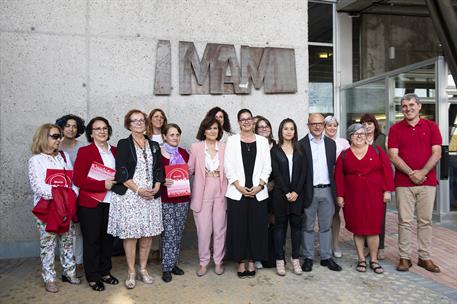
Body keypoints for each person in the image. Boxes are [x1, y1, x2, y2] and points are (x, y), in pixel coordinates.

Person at [108, 109, 164, 289]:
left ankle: (143, 269)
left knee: (147, 235)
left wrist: (156, 187)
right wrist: (138, 189)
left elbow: (159, 169)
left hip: (151, 195)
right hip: (132, 195)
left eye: (142, 120)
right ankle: (131, 271)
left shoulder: (153, 144)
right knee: (131, 236)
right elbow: (122, 171)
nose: (139, 123)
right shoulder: (124, 144)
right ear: (129, 124)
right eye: (135, 120)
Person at [388, 93, 442, 273]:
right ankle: (405, 257)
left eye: (411, 105)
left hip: (427, 182)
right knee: (404, 221)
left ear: (419, 106)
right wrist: (412, 173)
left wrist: (423, 172)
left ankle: (424, 258)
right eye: (404, 106)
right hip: (404, 183)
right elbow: (393, 156)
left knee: (425, 221)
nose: (408, 109)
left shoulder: (431, 126)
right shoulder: (395, 128)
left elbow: (437, 153)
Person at [334, 123, 394, 274]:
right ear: (350, 138)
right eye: (355, 134)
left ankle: (373, 260)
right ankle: (361, 258)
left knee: (374, 229)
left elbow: (387, 171)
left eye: (362, 133)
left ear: (367, 135)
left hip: (374, 195)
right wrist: (340, 195)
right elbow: (339, 178)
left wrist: (387, 191)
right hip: (353, 196)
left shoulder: (377, 150)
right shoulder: (344, 155)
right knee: (358, 229)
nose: (359, 136)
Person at [28, 123, 80, 293]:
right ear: (44, 137)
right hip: (47, 209)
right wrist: (64, 194)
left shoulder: (63, 157)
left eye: (60, 136)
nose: (59, 139)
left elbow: (72, 183)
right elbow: (39, 187)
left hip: (65, 207)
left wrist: (71, 196)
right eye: (55, 136)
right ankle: (49, 278)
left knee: (67, 241)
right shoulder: (36, 160)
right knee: (48, 244)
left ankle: (69, 272)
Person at [224, 109, 272, 278]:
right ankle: (240, 261)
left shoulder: (262, 141)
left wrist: (260, 186)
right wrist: (238, 186)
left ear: (253, 121)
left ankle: (252, 260)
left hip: (258, 192)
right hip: (237, 192)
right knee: (239, 228)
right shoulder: (232, 141)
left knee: (256, 227)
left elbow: (267, 166)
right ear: (238, 122)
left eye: (248, 119)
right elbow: (228, 166)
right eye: (242, 119)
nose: (246, 122)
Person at [73, 117, 118, 291]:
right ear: (91, 133)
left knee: (108, 240)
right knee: (92, 241)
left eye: (105, 128)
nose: (102, 131)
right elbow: (78, 179)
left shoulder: (115, 151)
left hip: (112, 202)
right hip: (90, 203)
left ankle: (105, 272)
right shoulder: (85, 152)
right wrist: (102, 185)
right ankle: (93, 276)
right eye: (97, 128)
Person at [299, 113, 342, 272]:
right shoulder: (301, 144)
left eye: (320, 123)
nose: (317, 126)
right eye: (313, 123)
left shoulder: (331, 144)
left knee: (326, 226)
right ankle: (308, 257)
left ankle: (326, 257)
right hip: (309, 191)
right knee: (308, 226)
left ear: (323, 125)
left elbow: (334, 169)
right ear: (308, 125)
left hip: (327, 191)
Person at [188, 117, 227, 276]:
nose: (212, 131)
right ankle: (204, 262)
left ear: (219, 131)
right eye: (209, 128)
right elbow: (189, 169)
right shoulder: (196, 147)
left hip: (221, 190)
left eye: (215, 128)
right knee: (204, 230)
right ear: (204, 130)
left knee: (219, 229)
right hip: (202, 192)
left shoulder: (225, 147)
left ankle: (218, 261)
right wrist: (172, 175)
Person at [270, 118, 306, 276]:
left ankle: (296, 259)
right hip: (280, 195)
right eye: (286, 128)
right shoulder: (275, 151)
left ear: (295, 131)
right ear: (281, 131)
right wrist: (286, 192)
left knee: (297, 228)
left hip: (297, 196)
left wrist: (296, 192)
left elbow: (304, 173)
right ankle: (280, 260)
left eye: (292, 129)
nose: (289, 131)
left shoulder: (301, 149)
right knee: (280, 229)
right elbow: (276, 174)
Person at [159, 123, 190, 283]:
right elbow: (152, 174)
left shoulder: (184, 153)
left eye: (177, 134)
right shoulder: (158, 153)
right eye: (171, 135)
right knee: (169, 233)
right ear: (164, 136)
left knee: (178, 232)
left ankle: (173, 263)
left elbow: (189, 171)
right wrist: (162, 181)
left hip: (183, 198)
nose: (175, 137)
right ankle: (166, 267)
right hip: (166, 199)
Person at [55, 114, 86, 273]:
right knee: (63, 229)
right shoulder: (55, 146)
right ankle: (67, 262)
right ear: (61, 127)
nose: (71, 129)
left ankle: (79, 260)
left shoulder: (82, 147)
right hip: (60, 193)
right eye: (67, 125)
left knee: (78, 228)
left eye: (74, 126)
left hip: (78, 191)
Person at [359, 113, 388, 260]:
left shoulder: (382, 139)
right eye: (364, 123)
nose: (367, 126)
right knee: (364, 215)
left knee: (379, 217)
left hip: (379, 185)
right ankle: (366, 247)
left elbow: (388, 165)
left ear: (374, 124)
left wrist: (387, 188)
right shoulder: (359, 138)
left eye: (370, 123)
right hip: (363, 185)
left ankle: (379, 247)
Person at [324, 115, 350, 259]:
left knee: (335, 213)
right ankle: (325, 244)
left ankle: (335, 244)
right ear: (324, 127)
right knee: (323, 215)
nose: (332, 128)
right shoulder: (319, 141)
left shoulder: (344, 142)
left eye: (334, 125)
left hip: (338, 181)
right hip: (323, 182)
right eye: (329, 125)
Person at [253, 116, 275, 269]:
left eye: (266, 125)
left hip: (275, 191)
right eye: (260, 127)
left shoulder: (278, 146)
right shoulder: (253, 145)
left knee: (273, 224)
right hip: (258, 190)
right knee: (259, 225)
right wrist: (262, 185)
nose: (264, 128)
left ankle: (272, 257)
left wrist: (274, 183)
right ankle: (258, 257)